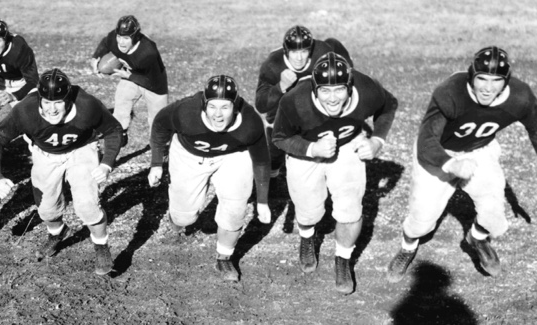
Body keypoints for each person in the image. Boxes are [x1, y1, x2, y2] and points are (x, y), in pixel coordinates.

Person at [386, 46, 537, 282]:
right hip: (440, 152)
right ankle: (408, 248)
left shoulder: (520, 97)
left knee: (493, 210)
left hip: (480, 150)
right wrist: (450, 164)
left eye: (496, 80)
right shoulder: (451, 93)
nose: (488, 88)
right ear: (471, 76)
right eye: (482, 78)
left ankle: (477, 238)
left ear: (506, 81)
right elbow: (426, 142)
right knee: (421, 220)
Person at [272, 53, 398, 294]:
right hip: (306, 150)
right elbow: (279, 137)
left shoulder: (366, 91)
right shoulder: (295, 101)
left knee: (350, 209)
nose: (332, 98)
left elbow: (389, 104)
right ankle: (307, 236)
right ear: (314, 88)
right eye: (325, 91)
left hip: (347, 145)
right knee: (308, 211)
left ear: (350, 87)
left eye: (339, 90)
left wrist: (377, 141)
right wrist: (311, 148)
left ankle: (343, 258)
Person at [0, 69, 122, 275]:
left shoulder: (87, 105)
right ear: (39, 99)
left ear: (68, 99)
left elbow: (113, 130)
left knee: (87, 206)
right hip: (45, 153)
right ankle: (57, 234)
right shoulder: (26, 111)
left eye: (58, 102)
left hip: (81, 149)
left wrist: (106, 163)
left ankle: (101, 247)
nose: (53, 109)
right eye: (47, 102)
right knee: (47, 209)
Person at [148, 75, 272, 282]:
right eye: (213, 107)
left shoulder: (249, 123)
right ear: (204, 105)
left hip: (233, 154)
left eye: (225, 107)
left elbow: (261, 161)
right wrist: (156, 164)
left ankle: (224, 257)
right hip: (191, 154)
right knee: (183, 217)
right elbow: (160, 125)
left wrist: (262, 201)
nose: (218, 115)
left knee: (235, 208)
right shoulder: (186, 112)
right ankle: (177, 220)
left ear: (236, 106)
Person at [256, 25, 353, 176]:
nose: (299, 58)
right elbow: (261, 105)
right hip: (282, 110)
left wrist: (348, 69)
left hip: (314, 105)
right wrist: (281, 86)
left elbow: (338, 52)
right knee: (276, 149)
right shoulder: (273, 64)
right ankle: (273, 175)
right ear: (286, 51)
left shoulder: (322, 52)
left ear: (311, 49)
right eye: (294, 52)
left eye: (304, 51)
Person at [90, 15, 168, 146]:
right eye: (119, 37)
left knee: (157, 121)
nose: (121, 42)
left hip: (153, 82)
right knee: (121, 101)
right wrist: (96, 57)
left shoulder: (147, 53)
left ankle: (162, 148)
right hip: (131, 74)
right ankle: (120, 133)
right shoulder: (114, 39)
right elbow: (106, 42)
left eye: (126, 38)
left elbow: (150, 81)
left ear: (135, 37)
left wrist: (129, 76)